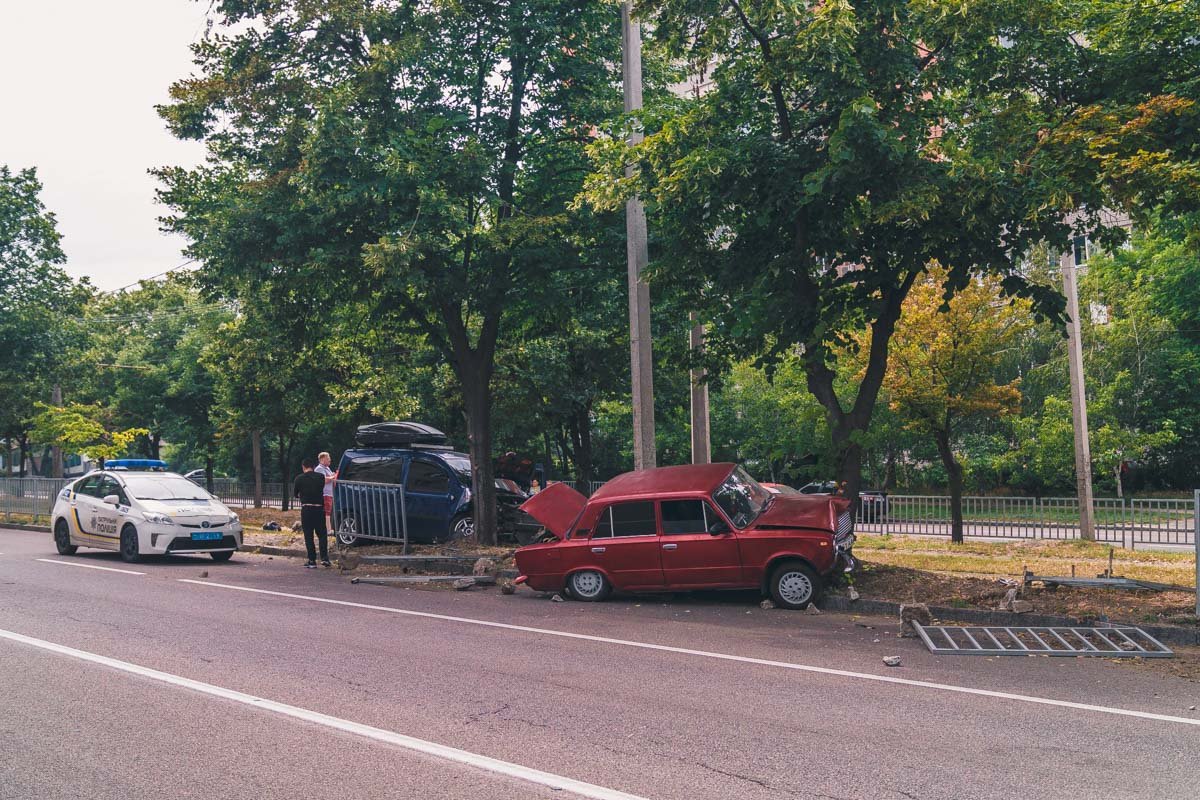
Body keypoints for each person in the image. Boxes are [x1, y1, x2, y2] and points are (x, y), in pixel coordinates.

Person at [294, 458, 329, 568]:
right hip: (319, 509)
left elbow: (296, 494)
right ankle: (325, 558)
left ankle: (312, 560)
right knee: (322, 534)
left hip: (307, 509)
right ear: (314, 467)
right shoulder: (320, 477)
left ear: (303, 467)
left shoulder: (299, 478)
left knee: (308, 535)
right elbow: (321, 488)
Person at [315, 451, 337, 518]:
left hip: (329, 494)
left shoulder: (327, 468)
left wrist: (333, 476)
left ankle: (327, 524)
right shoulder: (319, 468)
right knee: (326, 513)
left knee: (328, 513)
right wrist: (333, 476)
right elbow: (323, 480)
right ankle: (326, 525)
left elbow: (330, 478)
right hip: (325, 494)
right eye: (327, 458)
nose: (330, 459)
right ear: (322, 459)